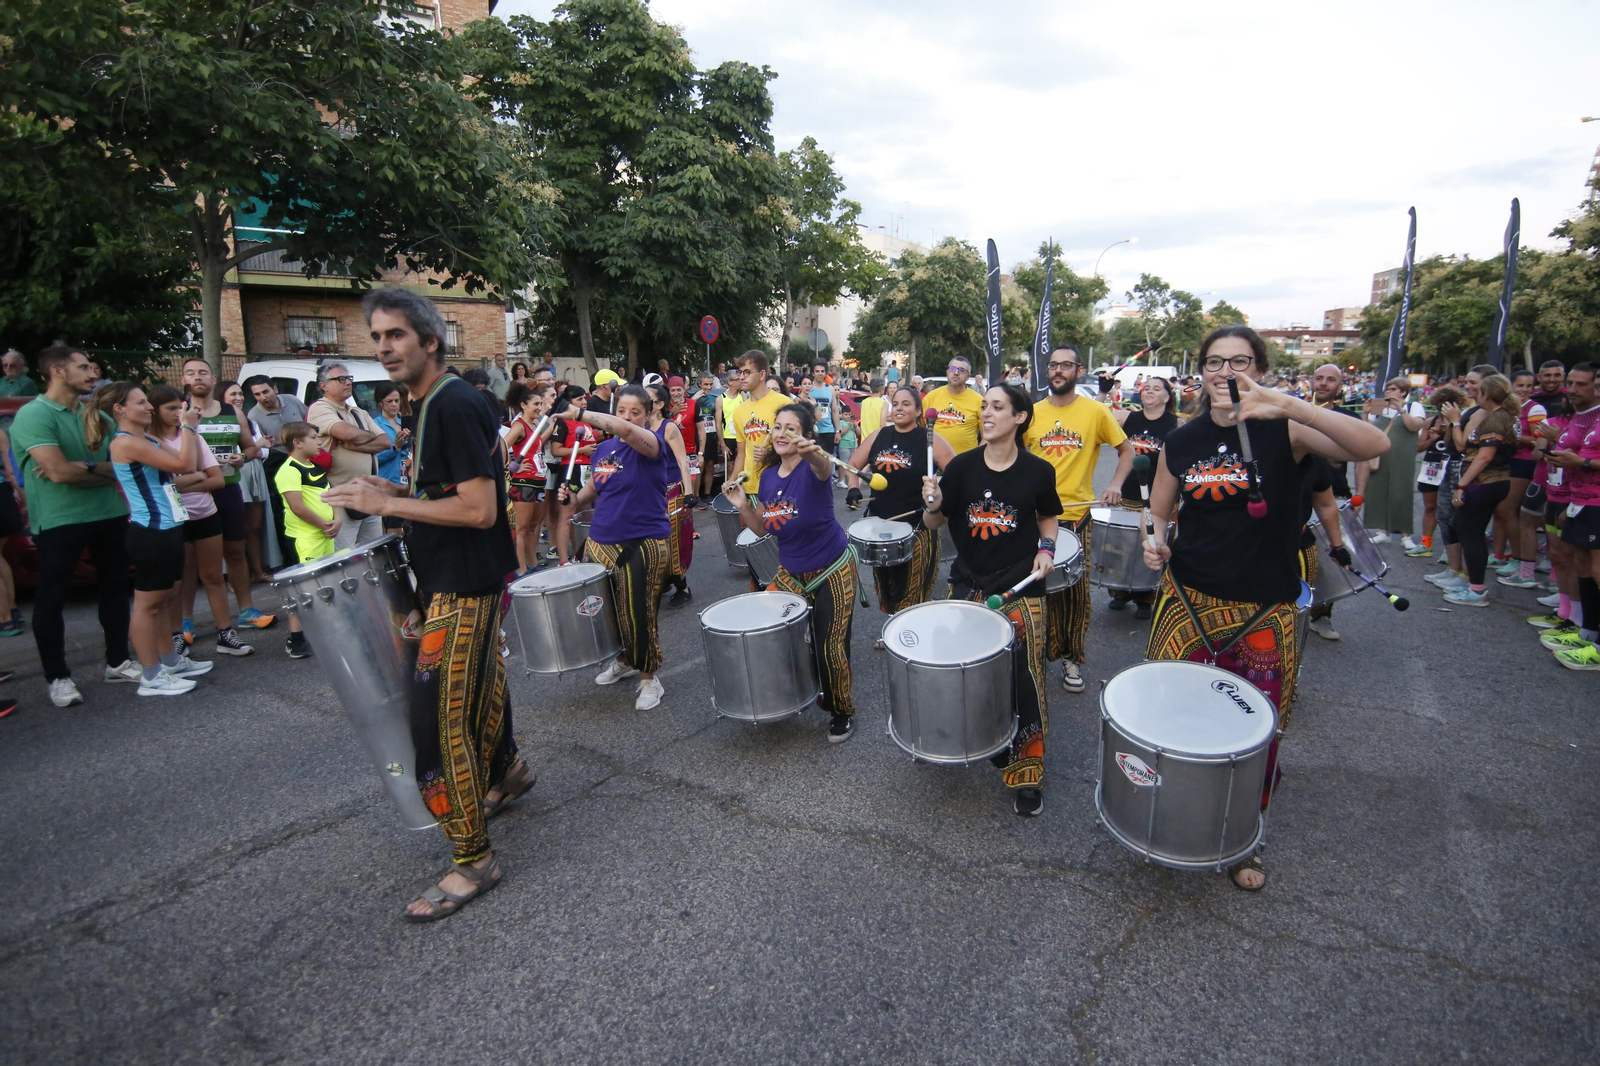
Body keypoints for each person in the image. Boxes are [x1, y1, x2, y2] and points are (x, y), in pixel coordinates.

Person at [1142, 326, 1389, 890]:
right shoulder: (1183, 440)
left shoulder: (1288, 430)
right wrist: (1151, 540)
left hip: (1262, 606)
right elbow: (1158, 507)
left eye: (1241, 362)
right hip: (1188, 600)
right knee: (1169, 713)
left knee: (1253, 728)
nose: (1226, 373)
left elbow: (1373, 446)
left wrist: (1286, 403)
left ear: (1260, 366)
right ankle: (1170, 813)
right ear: (1199, 371)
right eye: (1215, 362)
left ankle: (1241, 837)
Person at [322, 287, 522, 923]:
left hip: (463, 583)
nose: (384, 347)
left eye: (396, 336)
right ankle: (507, 774)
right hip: (453, 575)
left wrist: (388, 507)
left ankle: (474, 860)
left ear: (429, 341)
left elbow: (481, 508)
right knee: (482, 685)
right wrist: (390, 487)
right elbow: (443, 489)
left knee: (437, 723)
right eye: (377, 337)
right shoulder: (424, 403)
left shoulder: (455, 403)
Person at [921, 383, 1061, 816]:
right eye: (984, 406)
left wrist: (1046, 549)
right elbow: (932, 524)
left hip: (1020, 589)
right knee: (966, 676)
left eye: (997, 407)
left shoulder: (1038, 472)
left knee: (1025, 681)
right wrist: (933, 503)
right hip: (969, 586)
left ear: (1020, 417)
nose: (986, 413)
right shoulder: (961, 467)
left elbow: (1048, 518)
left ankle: (1027, 773)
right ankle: (982, 739)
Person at [11, 345, 143, 706]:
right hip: (59, 520)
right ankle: (58, 677)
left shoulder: (95, 415)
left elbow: (126, 464)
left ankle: (117, 661)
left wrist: (83, 466)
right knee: (52, 597)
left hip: (109, 513)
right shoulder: (33, 415)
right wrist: (89, 469)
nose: (92, 372)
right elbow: (56, 471)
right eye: (83, 367)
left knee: (115, 588)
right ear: (57, 371)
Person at [725, 403, 860, 743]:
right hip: (790, 571)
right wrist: (742, 504)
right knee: (774, 636)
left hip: (831, 567)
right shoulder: (768, 476)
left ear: (805, 435)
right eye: (777, 427)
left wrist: (813, 452)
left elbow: (822, 464)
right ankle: (794, 690)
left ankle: (840, 710)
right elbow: (762, 529)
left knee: (830, 645)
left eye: (791, 428)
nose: (781, 433)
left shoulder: (814, 469)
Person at [92, 382, 214, 696]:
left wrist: (188, 433)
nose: (149, 407)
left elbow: (189, 464)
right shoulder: (125, 443)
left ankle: (170, 662)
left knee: (166, 599)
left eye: (148, 402)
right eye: (141, 403)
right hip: (151, 532)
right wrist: (187, 426)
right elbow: (186, 465)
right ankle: (150, 676)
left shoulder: (145, 438)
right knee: (148, 606)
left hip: (169, 527)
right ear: (120, 410)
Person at [1025, 346, 1133, 692]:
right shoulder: (1031, 412)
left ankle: (1072, 657)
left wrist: (1116, 483)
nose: (1058, 371)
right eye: (1054, 365)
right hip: (1036, 517)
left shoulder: (1097, 411)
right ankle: (1036, 653)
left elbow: (1126, 451)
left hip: (1076, 517)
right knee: (1034, 590)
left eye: (1066, 365)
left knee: (1074, 595)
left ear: (1079, 370)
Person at [556, 384, 670, 710]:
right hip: (601, 541)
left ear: (649, 414)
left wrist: (577, 413)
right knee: (609, 613)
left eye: (636, 412)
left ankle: (649, 678)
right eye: (622, 410)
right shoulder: (605, 450)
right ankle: (624, 659)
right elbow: (590, 493)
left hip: (641, 542)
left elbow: (625, 431)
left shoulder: (652, 444)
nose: (628, 417)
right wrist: (571, 498)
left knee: (639, 613)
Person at [146, 384, 255, 660]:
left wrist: (184, 480)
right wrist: (194, 476)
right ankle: (177, 635)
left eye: (180, 407)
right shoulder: (148, 441)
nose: (178, 413)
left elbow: (217, 479)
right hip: (173, 518)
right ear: (155, 410)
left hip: (205, 513)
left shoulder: (193, 437)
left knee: (213, 576)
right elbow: (160, 485)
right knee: (179, 579)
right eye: (170, 408)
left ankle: (225, 633)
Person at [179, 358, 274, 634]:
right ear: (184, 380)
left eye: (203, 373)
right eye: (191, 373)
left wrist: (241, 457)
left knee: (235, 551)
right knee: (189, 559)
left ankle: (246, 611)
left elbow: (252, 448)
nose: (197, 377)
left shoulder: (232, 412)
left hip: (229, 488)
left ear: (212, 379)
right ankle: (185, 621)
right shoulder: (180, 412)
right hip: (192, 493)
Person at [850, 385, 955, 616]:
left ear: (919, 411)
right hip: (881, 523)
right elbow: (853, 466)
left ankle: (907, 634)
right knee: (885, 585)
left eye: (906, 404)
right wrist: (853, 489)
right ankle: (891, 626)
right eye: (895, 404)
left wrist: (938, 492)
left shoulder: (929, 439)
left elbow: (956, 472)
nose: (899, 408)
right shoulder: (879, 435)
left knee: (913, 586)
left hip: (917, 525)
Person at [1539, 362, 1600, 668]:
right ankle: (1586, 631)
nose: (1572, 390)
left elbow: (1583, 460)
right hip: (1576, 499)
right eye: (1571, 384)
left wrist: (1581, 465)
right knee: (1581, 564)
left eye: (1582, 384)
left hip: (1594, 502)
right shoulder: (1584, 417)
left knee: (1595, 568)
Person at [1106, 376, 1180, 617]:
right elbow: (1097, 414)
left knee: (1150, 547)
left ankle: (1146, 597)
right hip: (1128, 494)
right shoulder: (1129, 418)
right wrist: (1103, 391)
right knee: (1124, 547)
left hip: (1158, 498)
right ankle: (1120, 592)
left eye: (1156, 389)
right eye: (1147, 388)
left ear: (1166, 397)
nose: (1149, 391)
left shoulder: (1175, 424)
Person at [273, 422, 339, 659]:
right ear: (297, 443)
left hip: (324, 536)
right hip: (304, 539)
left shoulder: (315, 466)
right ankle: (296, 638)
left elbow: (330, 495)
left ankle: (324, 631)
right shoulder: (289, 470)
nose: (319, 442)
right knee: (302, 589)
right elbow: (297, 507)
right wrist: (324, 524)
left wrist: (337, 518)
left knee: (324, 584)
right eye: (314, 437)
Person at [306, 362, 388, 550]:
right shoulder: (320, 408)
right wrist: (366, 437)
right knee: (345, 556)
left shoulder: (358, 411)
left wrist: (355, 445)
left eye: (349, 378)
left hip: (368, 492)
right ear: (323, 386)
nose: (347, 383)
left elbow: (385, 442)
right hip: (340, 496)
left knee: (373, 553)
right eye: (340, 379)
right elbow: (347, 434)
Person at [243, 375, 310, 567]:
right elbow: (262, 448)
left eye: (265, 391)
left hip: (307, 457)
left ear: (275, 389)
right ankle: (291, 558)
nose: (263, 397)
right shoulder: (254, 416)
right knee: (287, 511)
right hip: (280, 461)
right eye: (257, 394)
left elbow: (309, 422)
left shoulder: (292, 400)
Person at [1360, 378, 1426, 544]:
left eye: (1393, 389)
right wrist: (1365, 413)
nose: (1388, 392)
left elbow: (1414, 426)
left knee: (1401, 492)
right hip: (1381, 456)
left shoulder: (1413, 406)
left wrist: (1401, 410)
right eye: (1387, 389)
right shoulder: (1381, 407)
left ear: (1403, 392)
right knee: (1378, 491)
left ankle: (1405, 535)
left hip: (1402, 457)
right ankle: (1383, 530)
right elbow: (1367, 430)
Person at [650, 382, 697, 608]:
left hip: (672, 492)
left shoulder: (668, 427)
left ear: (659, 404)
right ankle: (663, 580)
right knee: (652, 540)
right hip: (649, 493)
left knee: (674, 541)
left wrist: (689, 493)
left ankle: (682, 586)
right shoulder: (637, 427)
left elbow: (682, 461)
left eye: (646, 398)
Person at [504, 381, 552, 576]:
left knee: (534, 526)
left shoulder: (534, 425)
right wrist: (511, 466)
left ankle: (532, 562)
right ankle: (520, 568)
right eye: (535, 405)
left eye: (540, 404)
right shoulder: (519, 425)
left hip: (538, 480)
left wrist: (553, 420)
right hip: (524, 482)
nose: (538, 408)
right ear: (523, 405)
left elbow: (537, 446)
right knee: (522, 528)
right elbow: (503, 445)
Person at [548, 385, 595, 566]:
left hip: (587, 473)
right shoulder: (563, 421)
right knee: (567, 515)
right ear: (568, 403)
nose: (583, 402)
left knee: (582, 517)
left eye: (584, 398)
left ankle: (579, 554)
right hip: (570, 470)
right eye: (578, 399)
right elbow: (556, 450)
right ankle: (563, 560)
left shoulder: (585, 421)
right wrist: (583, 449)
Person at [729, 350, 788, 484]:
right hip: (749, 485)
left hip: (779, 484)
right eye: (740, 372)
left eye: (747, 372)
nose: (741, 377)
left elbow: (797, 449)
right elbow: (742, 454)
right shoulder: (739, 411)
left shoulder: (784, 404)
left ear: (762, 375)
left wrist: (769, 455)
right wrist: (732, 481)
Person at [923, 357, 982, 454]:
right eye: (953, 369)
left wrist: (977, 458)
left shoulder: (978, 401)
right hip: (934, 461)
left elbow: (987, 437)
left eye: (961, 370)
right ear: (947, 372)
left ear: (968, 376)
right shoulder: (931, 397)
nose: (956, 373)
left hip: (965, 462)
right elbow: (919, 428)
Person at [0, 424, 24, 639]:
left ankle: (5, 620)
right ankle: (13, 610)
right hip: (3, 496)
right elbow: (10, 468)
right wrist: (24, 499)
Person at [371, 381, 412, 490]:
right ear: (380, 402)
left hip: (408, 479)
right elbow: (373, 460)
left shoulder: (405, 421)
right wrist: (395, 447)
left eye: (397, 401)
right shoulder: (374, 425)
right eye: (389, 401)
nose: (394, 404)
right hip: (387, 481)